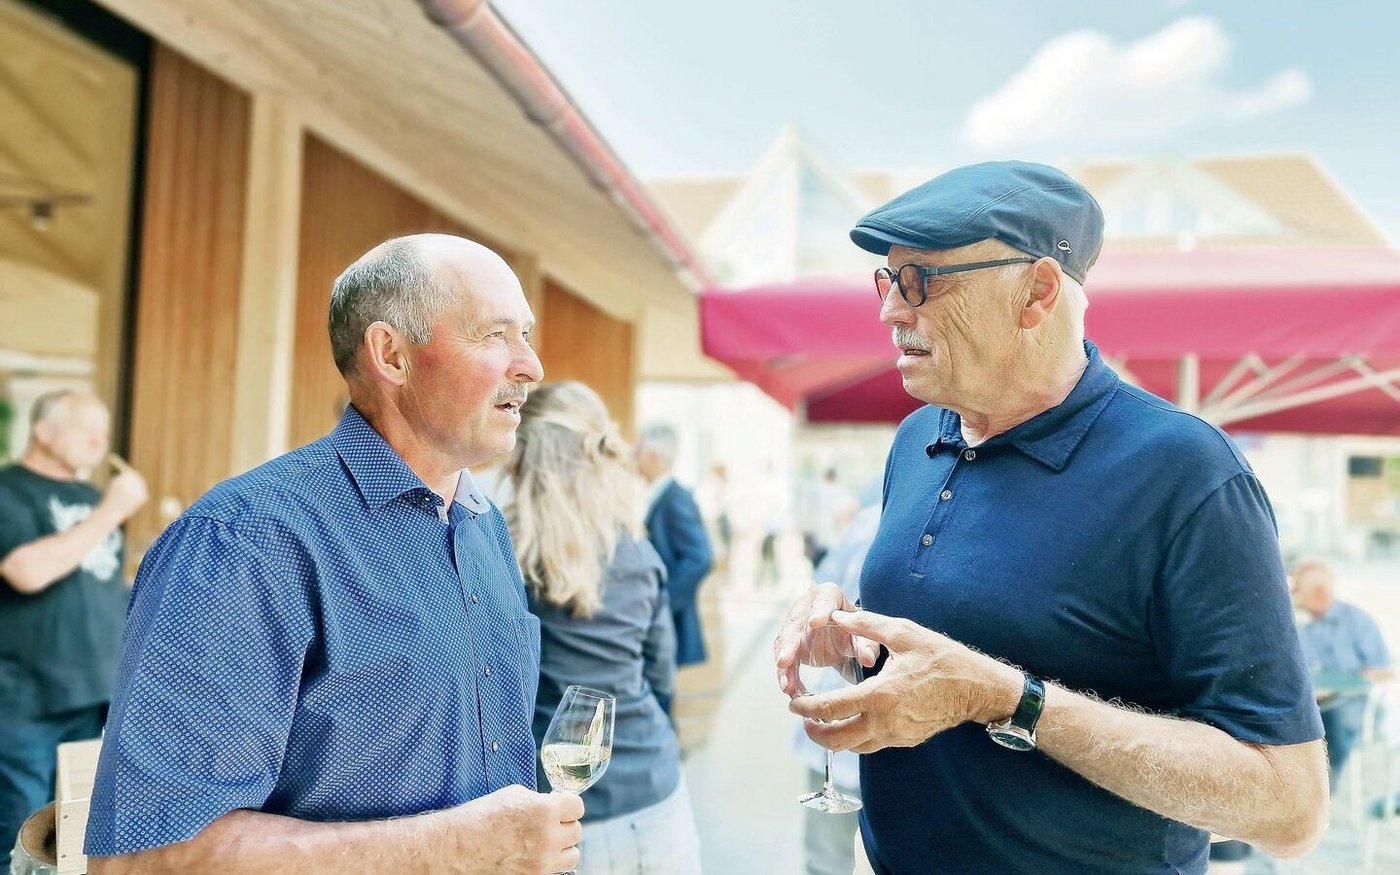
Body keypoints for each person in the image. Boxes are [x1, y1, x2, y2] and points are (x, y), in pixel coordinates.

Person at [774, 161, 1328, 874]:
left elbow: (1289, 806)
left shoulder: (1185, 472)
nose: (891, 311)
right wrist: (852, 637)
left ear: (1036, 292)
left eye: (922, 281)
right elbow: (950, 657)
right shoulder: (917, 439)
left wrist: (1013, 701)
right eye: (887, 281)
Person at [84, 234, 583, 874]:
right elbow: (147, 859)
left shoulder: (481, 524)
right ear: (391, 355)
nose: (531, 366)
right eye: (494, 335)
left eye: (526, 336)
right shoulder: (245, 539)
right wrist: (461, 848)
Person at [503, 380, 701, 874]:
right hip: (655, 791)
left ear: (523, 455)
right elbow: (660, 676)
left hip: (555, 813)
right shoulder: (638, 552)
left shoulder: (498, 550)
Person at [0, 390, 147, 871]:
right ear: (42, 431)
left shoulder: (92, 498)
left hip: (96, 695)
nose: (99, 441)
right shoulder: (9, 492)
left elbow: (97, 587)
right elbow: (26, 572)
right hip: (26, 701)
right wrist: (112, 511)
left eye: (103, 431)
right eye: (86, 428)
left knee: (74, 836)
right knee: (19, 837)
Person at [1292, 557, 1395, 792]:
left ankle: (1323, 791)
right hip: (1310, 704)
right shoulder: (1296, 624)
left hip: (1351, 706)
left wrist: (1342, 685)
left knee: (1332, 722)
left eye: (1301, 589)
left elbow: (1384, 672)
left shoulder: (1357, 621)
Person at [638, 423, 713, 675]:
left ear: (653, 455)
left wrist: (662, 603)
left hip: (669, 619)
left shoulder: (676, 497)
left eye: (638, 451)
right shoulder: (660, 494)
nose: (633, 458)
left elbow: (700, 558)